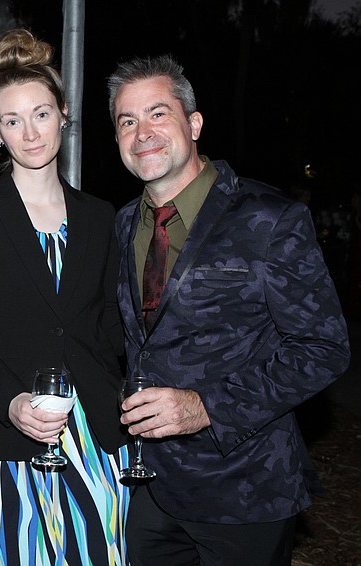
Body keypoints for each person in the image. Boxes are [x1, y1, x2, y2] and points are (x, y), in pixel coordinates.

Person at [107, 55, 351, 565]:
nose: (142, 132)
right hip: (147, 488)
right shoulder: (125, 224)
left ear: (194, 124)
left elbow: (323, 349)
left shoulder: (269, 219)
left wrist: (205, 406)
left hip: (245, 488)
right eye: (127, 121)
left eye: (158, 113)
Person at [0, 29, 128, 565]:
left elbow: (112, 328)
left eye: (41, 114)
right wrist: (12, 402)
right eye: (12, 120)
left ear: (64, 113)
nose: (31, 132)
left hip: (93, 439)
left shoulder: (100, 217)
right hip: (2, 439)